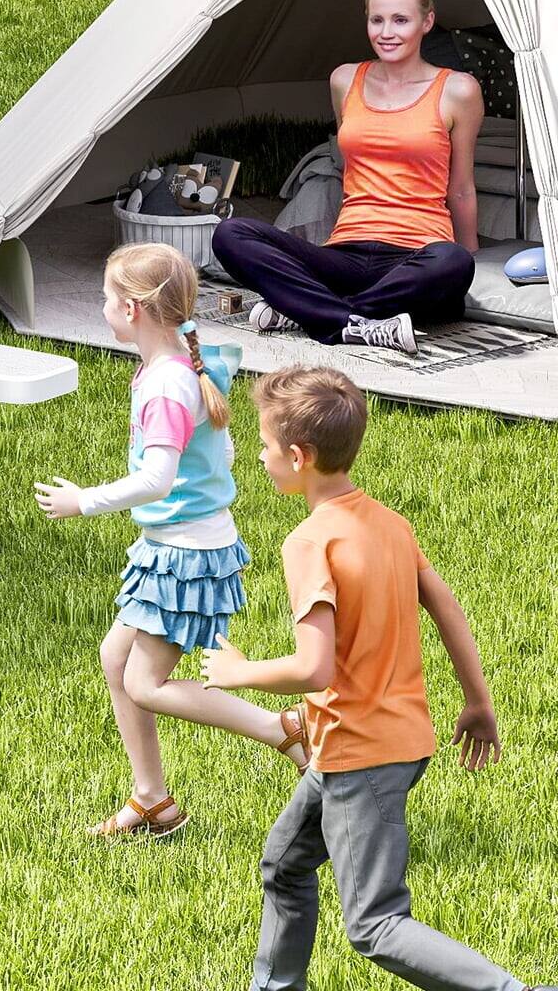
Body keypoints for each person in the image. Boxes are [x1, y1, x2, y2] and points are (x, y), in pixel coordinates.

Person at [204, 367, 543, 991]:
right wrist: (478, 702)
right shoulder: (389, 523)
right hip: (383, 742)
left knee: (376, 924)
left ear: (299, 457)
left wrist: (238, 672)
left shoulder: (309, 542)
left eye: (265, 445)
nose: (260, 456)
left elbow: (314, 667)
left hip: (361, 755)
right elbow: (447, 608)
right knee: (284, 864)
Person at [35, 243, 309, 839]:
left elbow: (157, 479)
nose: (102, 307)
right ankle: (152, 800)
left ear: (132, 309)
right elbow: (221, 452)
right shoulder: (186, 367)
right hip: (177, 546)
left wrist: (85, 501)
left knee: (144, 683)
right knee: (116, 659)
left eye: (106, 298)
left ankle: (281, 729)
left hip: (186, 555)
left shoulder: (167, 385)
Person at [211, 0, 482, 356]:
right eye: (377, 20)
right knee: (230, 234)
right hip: (344, 253)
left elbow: (461, 188)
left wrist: (470, 259)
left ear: (427, 22)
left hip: (416, 257)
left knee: (453, 261)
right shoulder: (344, 80)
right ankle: (357, 322)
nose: (386, 32)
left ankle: (313, 313)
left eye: (400, 20)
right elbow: (349, 165)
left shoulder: (458, 90)